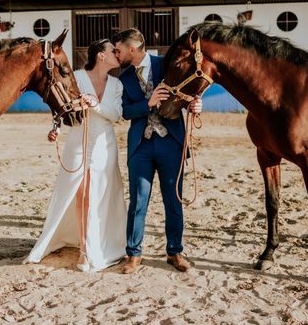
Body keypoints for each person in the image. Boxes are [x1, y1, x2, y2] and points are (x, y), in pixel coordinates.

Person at [25, 39, 127, 271]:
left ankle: (94, 246)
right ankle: (84, 248)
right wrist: (56, 129)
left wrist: (94, 104)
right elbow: (62, 108)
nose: (117, 54)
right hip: (78, 139)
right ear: (101, 55)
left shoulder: (116, 84)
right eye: (113, 51)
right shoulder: (77, 77)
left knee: (97, 192)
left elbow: (116, 115)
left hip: (104, 144)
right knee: (79, 192)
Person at [112, 28, 202, 274]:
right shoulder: (124, 78)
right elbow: (125, 112)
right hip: (141, 146)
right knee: (138, 202)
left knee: (173, 201)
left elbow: (190, 90)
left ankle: (175, 252)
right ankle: (134, 255)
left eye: (119, 50)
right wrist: (147, 103)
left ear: (132, 48)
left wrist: (196, 104)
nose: (116, 55)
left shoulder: (167, 65)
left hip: (171, 144)